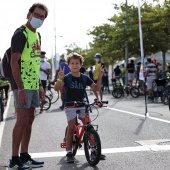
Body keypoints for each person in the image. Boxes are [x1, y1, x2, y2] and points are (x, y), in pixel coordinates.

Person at [9, 3, 48, 169]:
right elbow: (14, 62)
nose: (39, 19)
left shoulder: (38, 35)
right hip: (22, 85)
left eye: (42, 17)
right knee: (21, 120)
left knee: (29, 120)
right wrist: (21, 88)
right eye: (37, 15)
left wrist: (40, 87)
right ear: (29, 14)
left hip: (33, 83)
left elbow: (34, 64)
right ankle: (14, 160)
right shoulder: (21, 33)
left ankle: (24, 156)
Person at [54, 52, 104, 163]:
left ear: (81, 65)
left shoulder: (85, 78)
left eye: (77, 63)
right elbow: (57, 88)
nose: (75, 65)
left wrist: (100, 76)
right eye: (72, 63)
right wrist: (60, 79)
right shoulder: (67, 78)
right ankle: (69, 152)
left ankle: (94, 150)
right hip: (70, 105)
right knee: (71, 128)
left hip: (82, 105)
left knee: (88, 125)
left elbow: (96, 88)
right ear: (68, 65)